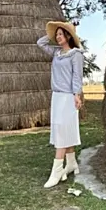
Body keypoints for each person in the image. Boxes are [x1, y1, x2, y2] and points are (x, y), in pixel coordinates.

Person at [36, 21, 84, 188]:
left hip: (68, 98)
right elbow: (40, 43)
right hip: (56, 97)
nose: (57, 37)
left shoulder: (75, 54)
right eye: (56, 35)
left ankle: (57, 171)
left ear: (68, 36)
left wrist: (77, 95)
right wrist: (50, 35)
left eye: (60, 34)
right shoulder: (56, 53)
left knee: (62, 133)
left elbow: (77, 76)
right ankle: (71, 164)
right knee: (61, 130)